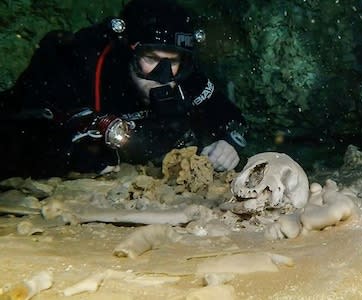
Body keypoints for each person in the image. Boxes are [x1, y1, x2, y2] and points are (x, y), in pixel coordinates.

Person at [0, 0, 247, 179]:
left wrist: (227, 144)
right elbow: (16, 131)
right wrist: (68, 154)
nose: (162, 75)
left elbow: (232, 119)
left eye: (171, 61)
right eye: (150, 58)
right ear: (128, 52)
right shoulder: (81, 68)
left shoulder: (187, 78)